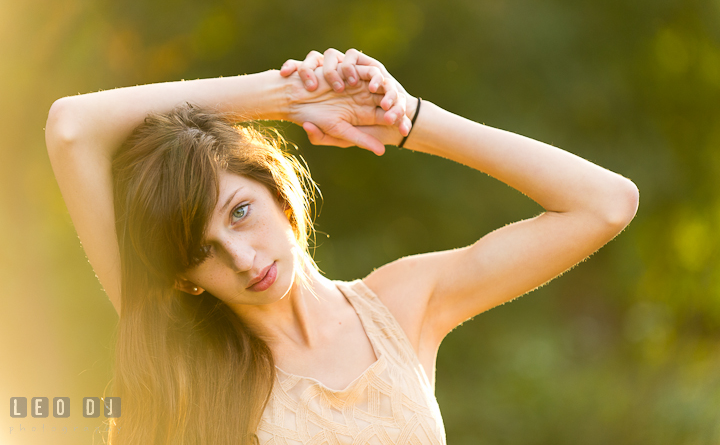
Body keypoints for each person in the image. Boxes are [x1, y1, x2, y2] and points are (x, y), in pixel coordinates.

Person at [45, 48, 639, 445]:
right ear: (183, 277)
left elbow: (606, 204)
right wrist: (285, 97)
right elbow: (72, 126)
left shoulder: (402, 306)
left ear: (277, 191)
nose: (245, 258)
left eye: (240, 212)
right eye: (203, 251)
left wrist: (408, 121)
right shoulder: (184, 358)